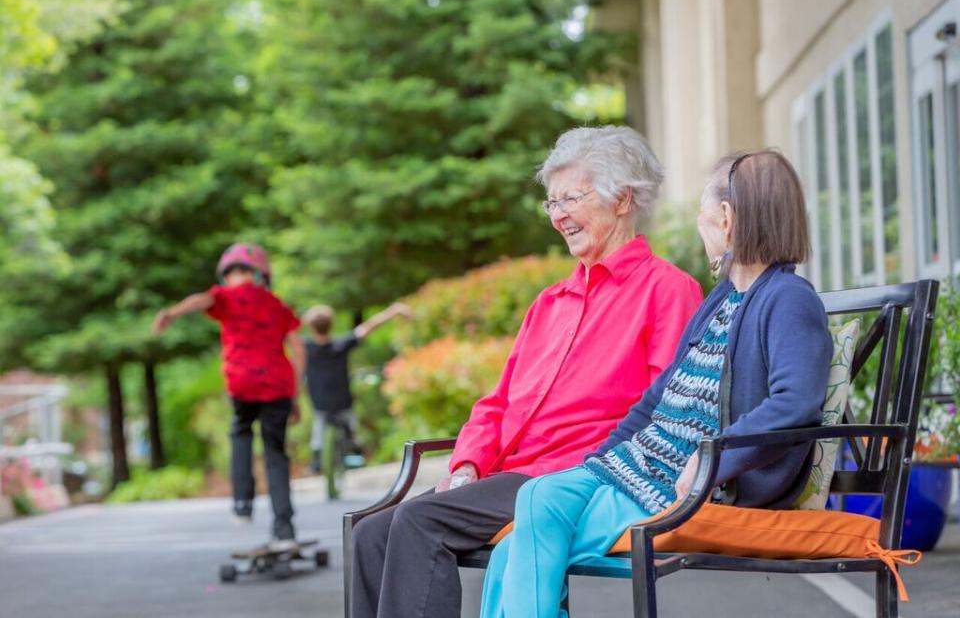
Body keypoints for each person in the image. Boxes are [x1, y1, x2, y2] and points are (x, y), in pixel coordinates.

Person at [350, 126, 704, 618]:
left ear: (622, 199)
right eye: (551, 203)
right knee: (371, 533)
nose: (558, 216)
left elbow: (671, 411)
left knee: (418, 521)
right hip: (508, 473)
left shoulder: (667, 290)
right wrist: (468, 463)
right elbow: (497, 403)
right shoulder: (551, 303)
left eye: (570, 199)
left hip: (578, 477)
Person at [478, 149, 834, 618]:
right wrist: (604, 457)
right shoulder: (724, 298)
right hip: (640, 468)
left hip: (691, 483)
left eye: (702, 213)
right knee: (529, 515)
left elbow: (796, 403)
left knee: (533, 524)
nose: (699, 224)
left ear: (726, 219)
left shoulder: (788, 299)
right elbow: (659, 397)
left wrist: (716, 456)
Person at [152, 243, 305, 548]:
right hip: (277, 384)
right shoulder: (277, 305)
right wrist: (295, 395)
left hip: (242, 382)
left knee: (241, 434)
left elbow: (202, 299)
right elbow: (298, 348)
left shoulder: (224, 297)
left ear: (226, 274)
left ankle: (242, 503)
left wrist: (172, 313)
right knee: (276, 453)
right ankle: (284, 529)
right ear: (262, 274)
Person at [302, 302, 411, 472]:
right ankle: (355, 448)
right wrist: (393, 310)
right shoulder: (341, 344)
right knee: (351, 425)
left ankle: (317, 457)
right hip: (342, 400)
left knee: (318, 428)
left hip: (319, 403)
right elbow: (369, 326)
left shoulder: (305, 347)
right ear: (330, 325)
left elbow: (285, 335)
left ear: (311, 327)